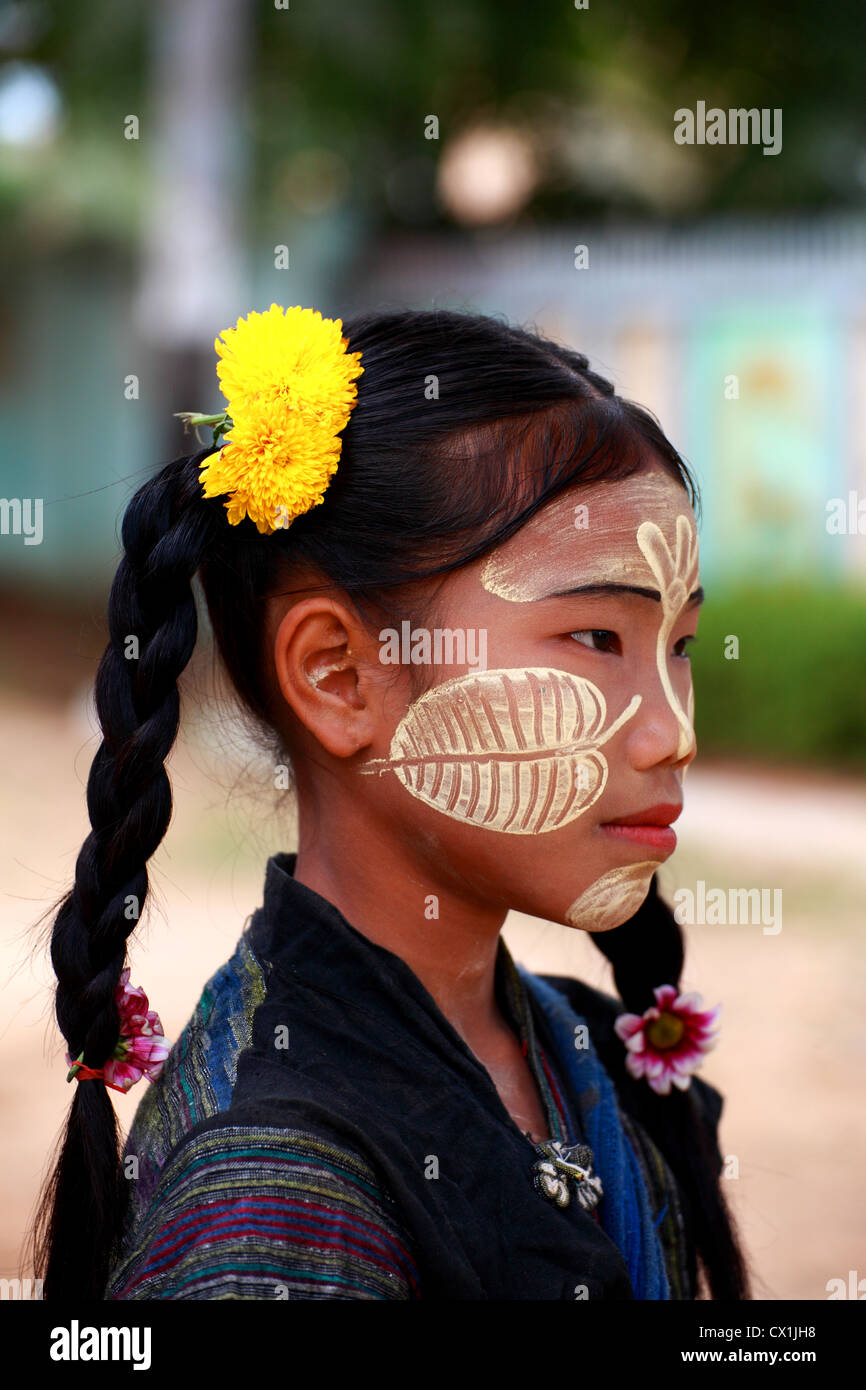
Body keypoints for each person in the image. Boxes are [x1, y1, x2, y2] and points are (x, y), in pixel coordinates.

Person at [32, 304, 750, 1300]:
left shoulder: (571, 1047)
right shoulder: (268, 1211)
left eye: (677, 648)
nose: (671, 730)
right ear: (339, 676)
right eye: (595, 640)